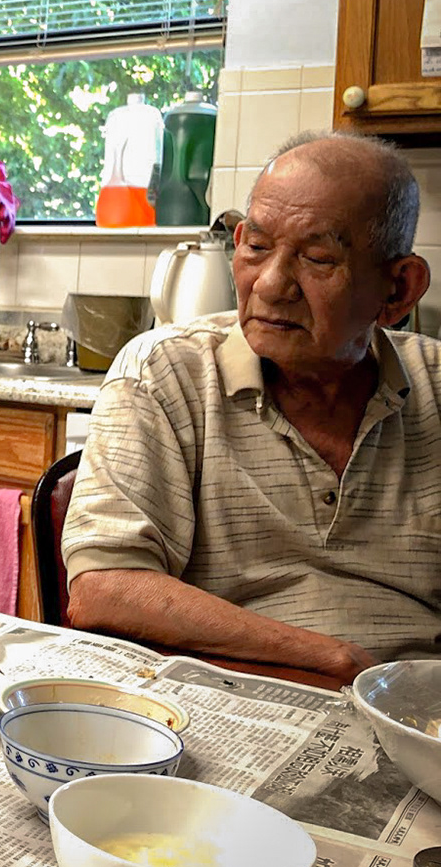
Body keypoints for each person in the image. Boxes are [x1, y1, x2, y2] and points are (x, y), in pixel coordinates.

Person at [62, 130, 436, 683]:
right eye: (256, 247)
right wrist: (333, 659)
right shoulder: (166, 372)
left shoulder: (432, 384)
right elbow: (104, 588)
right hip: (243, 692)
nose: (271, 283)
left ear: (398, 290)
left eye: (317, 258)